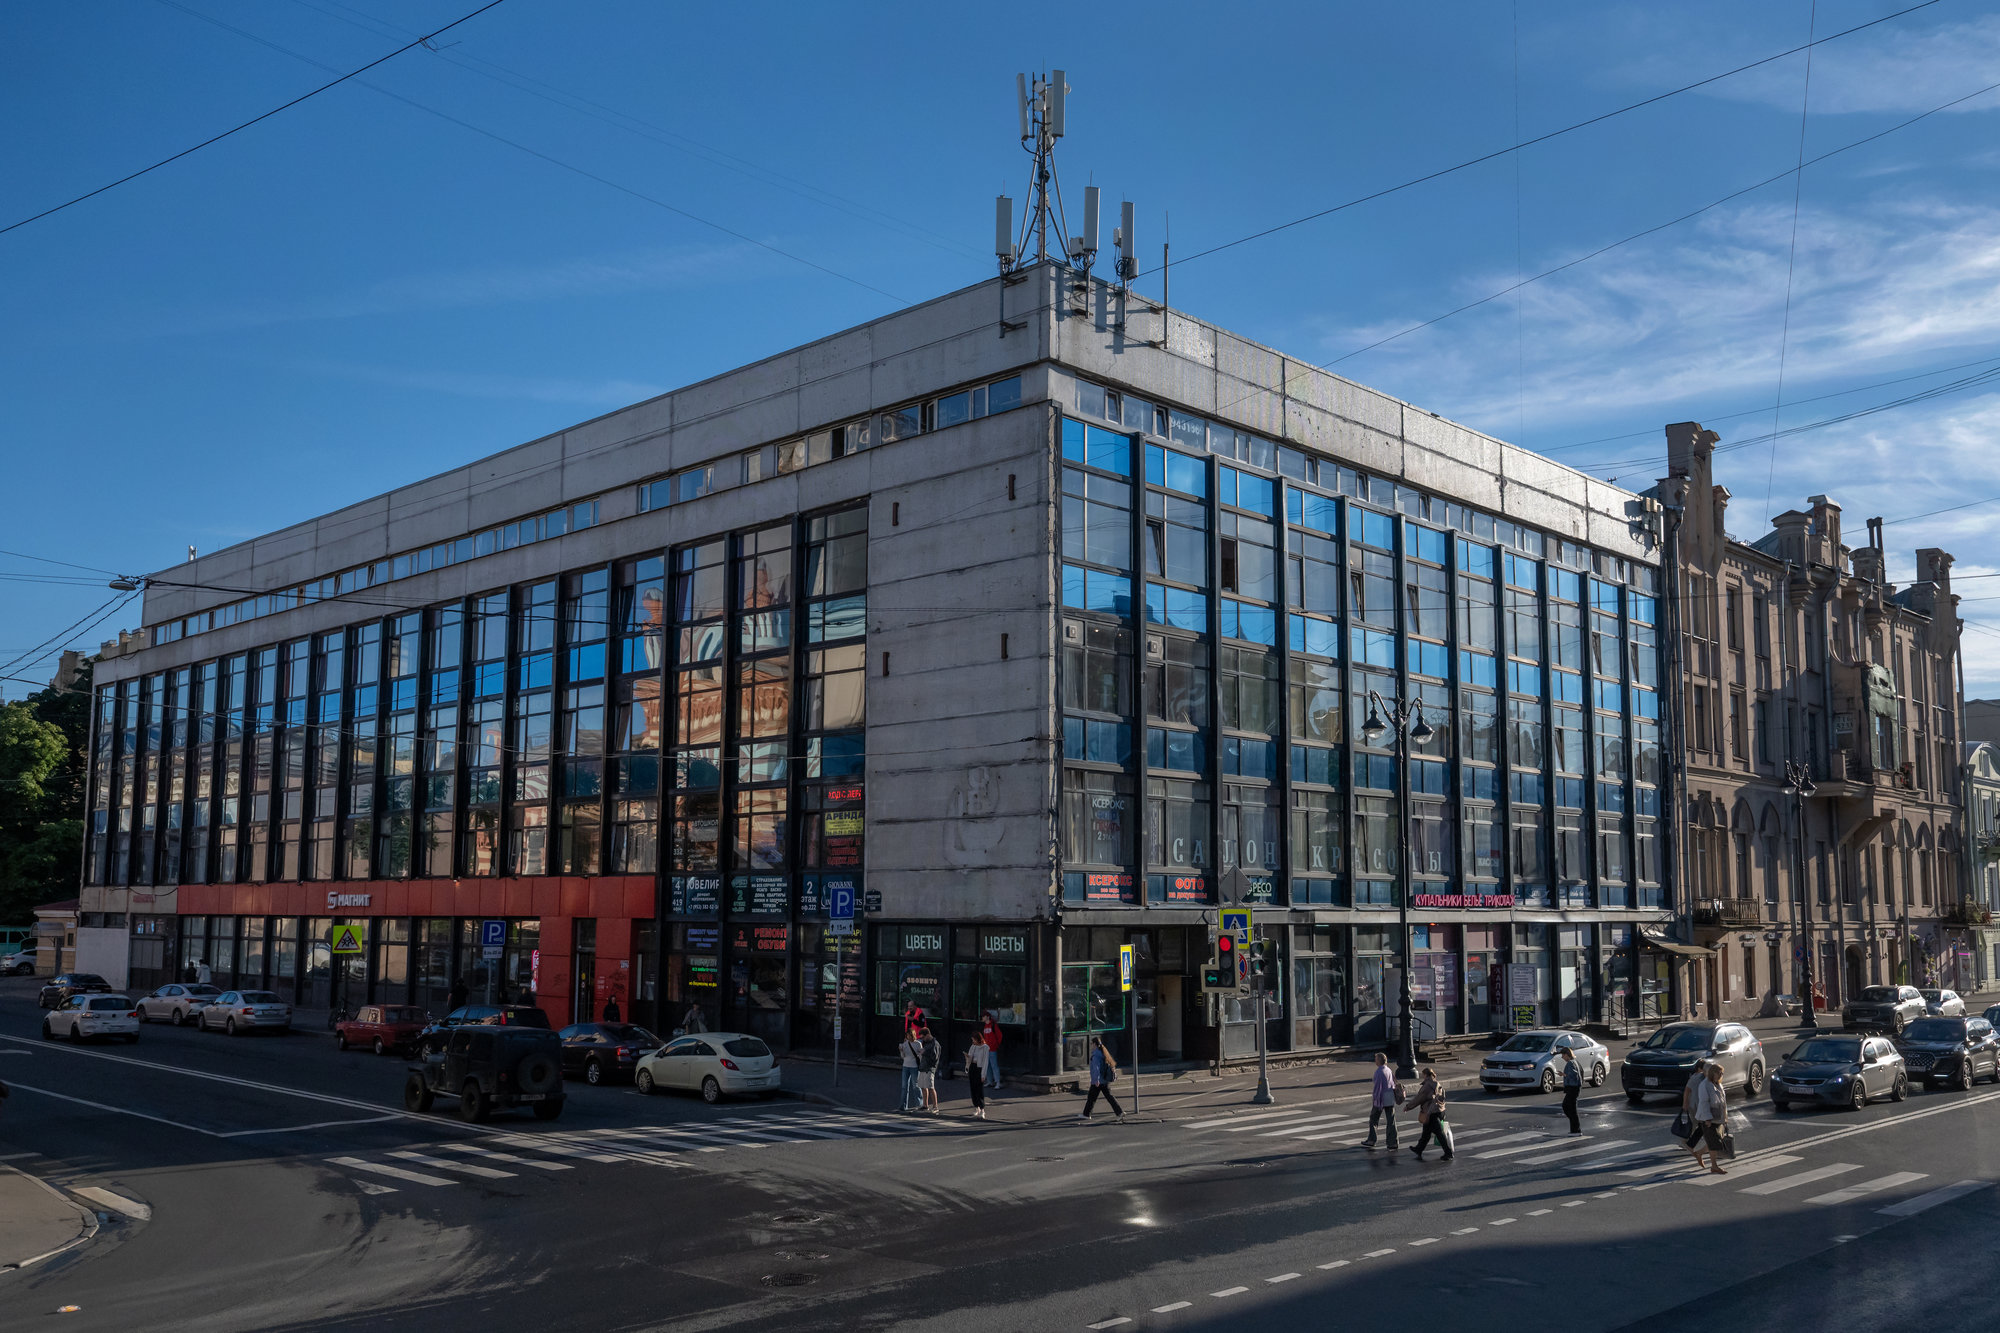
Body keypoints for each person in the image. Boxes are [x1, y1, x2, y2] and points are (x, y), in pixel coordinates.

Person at [1406, 1067, 1453, 1161]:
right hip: (1438, 1110)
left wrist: (1408, 1106)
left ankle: (1448, 1153)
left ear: (1425, 1075)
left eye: (1423, 1075)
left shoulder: (1427, 1086)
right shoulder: (1437, 1083)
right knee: (1426, 1133)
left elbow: (1419, 1098)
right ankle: (1419, 1149)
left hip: (1431, 1112)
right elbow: (1442, 1097)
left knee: (1439, 1134)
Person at [1692, 1060, 1729, 1175]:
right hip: (1708, 1119)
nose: (1721, 1075)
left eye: (1722, 1073)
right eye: (1719, 1073)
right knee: (1714, 1143)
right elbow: (1704, 1103)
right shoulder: (1705, 1085)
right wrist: (1707, 1119)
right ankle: (1714, 1166)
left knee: (1715, 1141)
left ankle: (1699, 1153)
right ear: (1713, 1073)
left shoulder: (1718, 1084)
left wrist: (1725, 1117)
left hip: (1718, 1118)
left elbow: (1723, 1102)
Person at [1078, 1035, 1125, 1121]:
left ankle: (1086, 1114)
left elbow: (1096, 1069)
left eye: (1091, 1043)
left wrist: (1096, 1080)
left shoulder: (1095, 1056)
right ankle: (1119, 1112)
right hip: (1104, 1080)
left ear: (1095, 1044)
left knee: (1091, 1098)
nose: (1091, 1045)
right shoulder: (1103, 1053)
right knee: (1107, 1097)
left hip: (1098, 1081)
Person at [1679, 1061, 1713, 1172]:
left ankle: (1689, 1143)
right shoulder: (1698, 1078)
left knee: (1699, 1127)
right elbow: (1687, 1090)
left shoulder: (1703, 1078)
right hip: (1697, 1107)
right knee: (1701, 1127)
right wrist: (1685, 1103)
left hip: (1698, 1107)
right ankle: (1688, 1143)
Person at [1362, 1052, 1400, 1149]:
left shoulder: (1379, 1072)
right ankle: (1393, 1142)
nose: (1375, 1061)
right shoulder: (1388, 1069)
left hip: (1381, 1098)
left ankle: (1372, 1140)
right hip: (1390, 1097)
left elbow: (1377, 1088)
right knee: (1391, 1120)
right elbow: (1393, 1083)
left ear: (1379, 1061)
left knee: (1373, 1119)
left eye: (1376, 1059)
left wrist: (1375, 1099)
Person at [917, 1025, 942, 1114]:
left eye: (923, 1037)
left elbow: (935, 1058)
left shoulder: (935, 1044)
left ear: (927, 1035)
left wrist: (924, 1052)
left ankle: (935, 1106)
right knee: (923, 1086)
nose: (922, 1039)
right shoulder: (927, 1043)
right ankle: (925, 1105)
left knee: (931, 1087)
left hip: (929, 1068)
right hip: (923, 1067)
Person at [898, 1026, 924, 1112]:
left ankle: (919, 1104)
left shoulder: (918, 1044)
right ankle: (903, 1106)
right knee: (904, 1087)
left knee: (915, 1086)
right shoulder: (905, 1044)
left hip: (914, 1067)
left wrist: (921, 1066)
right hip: (905, 1066)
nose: (908, 1037)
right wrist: (901, 1050)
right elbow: (903, 1057)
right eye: (907, 1035)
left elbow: (920, 1056)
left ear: (913, 1035)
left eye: (909, 1035)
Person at [1560, 1047, 1582, 1134]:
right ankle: (1575, 1129)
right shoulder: (1575, 1062)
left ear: (1567, 1055)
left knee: (1567, 1107)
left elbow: (1573, 1075)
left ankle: (1576, 1129)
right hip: (1575, 1087)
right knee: (1571, 1108)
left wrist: (1564, 1075)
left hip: (1572, 1088)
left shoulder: (1570, 1063)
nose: (1562, 1057)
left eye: (1563, 1055)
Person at [963, 1041, 988, 1119]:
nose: (973, 1041)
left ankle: (982, 1110)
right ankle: (977, 1108)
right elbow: (970, 1057)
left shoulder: (985, 1047)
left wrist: (983, 1075)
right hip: (972, 1067)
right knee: (973, 1089)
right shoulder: (972, 1046)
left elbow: (985, 1061)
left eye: (974, 1039)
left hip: (979, 1068)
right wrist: (967, 1056)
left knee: (979, 1089)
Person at [980, 1012, 1004, 1091]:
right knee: (988, 1066)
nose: (982, 1018)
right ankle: (990, 1081)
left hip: (992, 1048)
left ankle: (997, 1082)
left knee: (994, 1065)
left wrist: (996, 1045)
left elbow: (999, 1035)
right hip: (987, 1049)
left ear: (987, 1017)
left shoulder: (993, 1025)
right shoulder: (986, 1026)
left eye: (983, 1016)